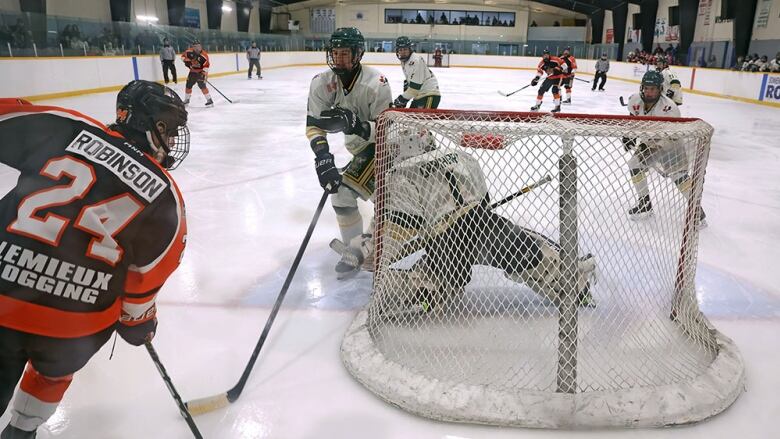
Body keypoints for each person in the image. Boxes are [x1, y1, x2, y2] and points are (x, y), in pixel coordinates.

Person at [0, 80, 189, 439]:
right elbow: (146, 278)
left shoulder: (66, 126)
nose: (173, 139)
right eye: (172, 129)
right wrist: (138, 324)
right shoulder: (165, 195)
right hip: (73, 323)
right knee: (54, 369)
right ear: (156, 127)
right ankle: (22, 432)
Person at [378, 129, 596, 315]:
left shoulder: (400, 173)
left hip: (444, 241)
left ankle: (426, 294)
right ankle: (576, 287)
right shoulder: (459, 156)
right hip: (482, 224)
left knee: (438, 276)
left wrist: (380, 253)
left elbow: (403, 225)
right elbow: (484, 200)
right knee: (528, 250)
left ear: (405, 147)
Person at [305, 27, 392, 278]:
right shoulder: (322, 83)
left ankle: (371, 246)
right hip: (361, 151)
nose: (339, 58)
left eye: (345, 53)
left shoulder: (376, 84)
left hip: (386, 148)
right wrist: (323, 156)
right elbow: (313, 124)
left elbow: (388, 130)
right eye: (335, 53)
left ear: (358, 54)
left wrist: (358, 125)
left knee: (384, 198)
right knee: (342, 193)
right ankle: (358, 248)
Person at [622, 71, 705, 225]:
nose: (649, 92)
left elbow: (672, 134)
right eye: (646, 88)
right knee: (634, 164)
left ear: (660, 89)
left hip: (671, 144)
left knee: (678, 177)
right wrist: (629, 135)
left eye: (653, 89)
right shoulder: (634, 99)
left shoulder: (670, 108)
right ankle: (644, 203)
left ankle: (697, 209)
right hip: (649, 142)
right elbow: (632, 117)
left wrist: (656, 148)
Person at [392, 36, 441, 109]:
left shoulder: (415, 61)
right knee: (411, 119)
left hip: (429, 94)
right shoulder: (405, 61)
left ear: (410, 49)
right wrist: (407, 88)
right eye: (400, 49)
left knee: (423, 119)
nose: (403, 52)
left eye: (405, 49)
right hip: (420, 95)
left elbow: (415, 87)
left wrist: (402, 99)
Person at [181, 40, 213, 106]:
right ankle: (187, 100)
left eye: (198, 46)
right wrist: (186, 61)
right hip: (192, 72)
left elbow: (206, 66)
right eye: (195, 46)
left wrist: (203, 74)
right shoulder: (189, 51)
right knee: (188, 85)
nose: (197, 48)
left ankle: (209, 100)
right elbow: (182, 57)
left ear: (200, 46)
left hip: (201, 72)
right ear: (193, 47)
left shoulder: (204, 56)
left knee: (202, 85)